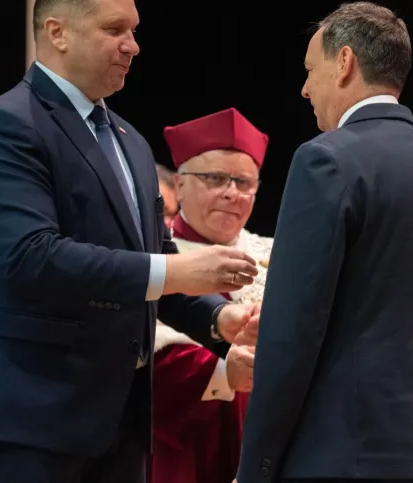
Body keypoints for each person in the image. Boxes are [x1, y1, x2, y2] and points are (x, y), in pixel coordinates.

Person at [0, 1, 260, 482]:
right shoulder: (6, 124)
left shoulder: (130, 141)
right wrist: (179, 272)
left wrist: (216, 316)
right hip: (27, 411)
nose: (133, 45)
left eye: (135, 30)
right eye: (115, 29)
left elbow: (153, 254)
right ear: (57, 32)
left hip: (118, 415)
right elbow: (31, 257)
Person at [236, 2, 413, 483]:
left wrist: (256, 464)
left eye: (310, 70)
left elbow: (292, 331)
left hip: (339, 453)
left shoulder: (325, 161)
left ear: (344, 63)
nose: (305, 88)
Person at [151, 107, 272, 483]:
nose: (231, 193)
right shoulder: (152, 256)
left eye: (244, 182)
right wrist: (223, 372)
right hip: (181, 450)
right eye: (216, 178)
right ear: (181, 183)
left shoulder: (278, 256)